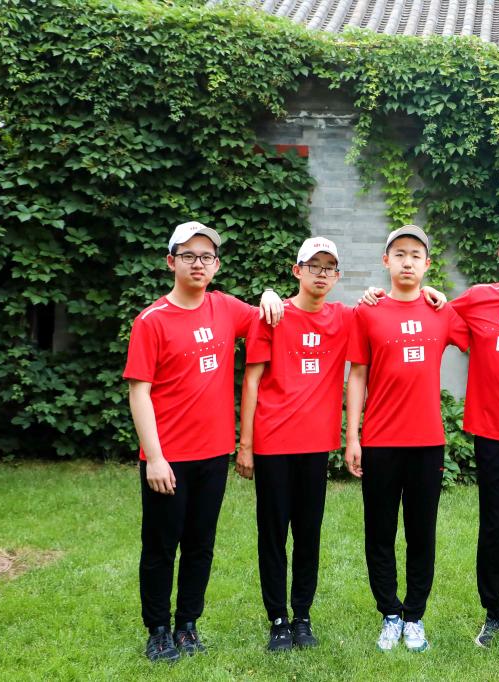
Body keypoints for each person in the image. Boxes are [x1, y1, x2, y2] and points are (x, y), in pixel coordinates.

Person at [361, 217, 499, 649]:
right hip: (492, 433)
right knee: (494, 527)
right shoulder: (476, 299)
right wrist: (383, 294)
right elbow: (424, 310)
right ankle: (494, 613)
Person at [124, 221, 282, 663]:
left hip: (213, 453)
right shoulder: (152, 321)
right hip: (168, 458)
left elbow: (270, 315)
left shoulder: (224, 308)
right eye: (189, 255)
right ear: (170, 261)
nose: (198, 263)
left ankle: (188, 625)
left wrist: (270, 293)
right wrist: (155, 457)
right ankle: (158, 630)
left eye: (207, 256)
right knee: (161, 546)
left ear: (216, 265)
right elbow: (139, 393)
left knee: (200, 544)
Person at [345, 225, 470, 652]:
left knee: (421, 533)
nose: (407, 262)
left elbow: (478, 340)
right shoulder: (368, 312)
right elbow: (357, 375)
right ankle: (390, 614)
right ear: (386, 261)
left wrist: (444, 298)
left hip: (427, 443)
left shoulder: (441, 312)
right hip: (380, 441)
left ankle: (415, 616)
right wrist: (353, 436)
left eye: (416, 255)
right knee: (379, 533)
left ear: (427, 264)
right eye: (399, 254)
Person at [235, 237, 353, 652]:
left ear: (337, 276)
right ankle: (278, 620)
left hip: (315, 446)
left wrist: (427, 293)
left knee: (308, 534)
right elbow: (251, 381)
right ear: (296, 270)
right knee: (273, 535)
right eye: (313, 265)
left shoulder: (343, 318)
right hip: (272, 444)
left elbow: (388, 307)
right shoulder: (273, 315)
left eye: (329, 267)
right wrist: (245, 445)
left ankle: (301, 616)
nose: (321, 273)